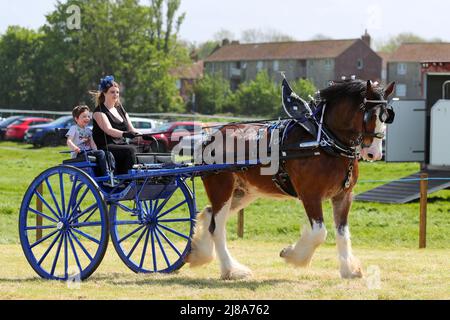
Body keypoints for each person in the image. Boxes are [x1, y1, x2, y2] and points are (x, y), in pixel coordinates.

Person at [91, 75, 142, 174]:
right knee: (130, 150)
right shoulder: (99, 111)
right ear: (104, 93)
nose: (116, 94)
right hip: (107, 146)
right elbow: (108, 130)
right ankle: (127, 179)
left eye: (117, 92)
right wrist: (125, 134)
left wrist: (142, 136)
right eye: (112, 92)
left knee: (145, 147)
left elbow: (131, 128)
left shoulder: (120, 109)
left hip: (121, 144)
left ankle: (149, 177)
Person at [66, 105, 114, 177]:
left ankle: (111, 173)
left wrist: (96, 150)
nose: (87, 118)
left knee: (108, 154)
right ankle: (105, 175)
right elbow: (69, 141)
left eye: (88, 116)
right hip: (79, 154)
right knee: (100, 153)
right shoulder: (74, 128)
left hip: (88, 152)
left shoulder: (88, 130)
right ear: (76, 119)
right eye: (84, 116)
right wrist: (74, 148)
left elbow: (92, 143)